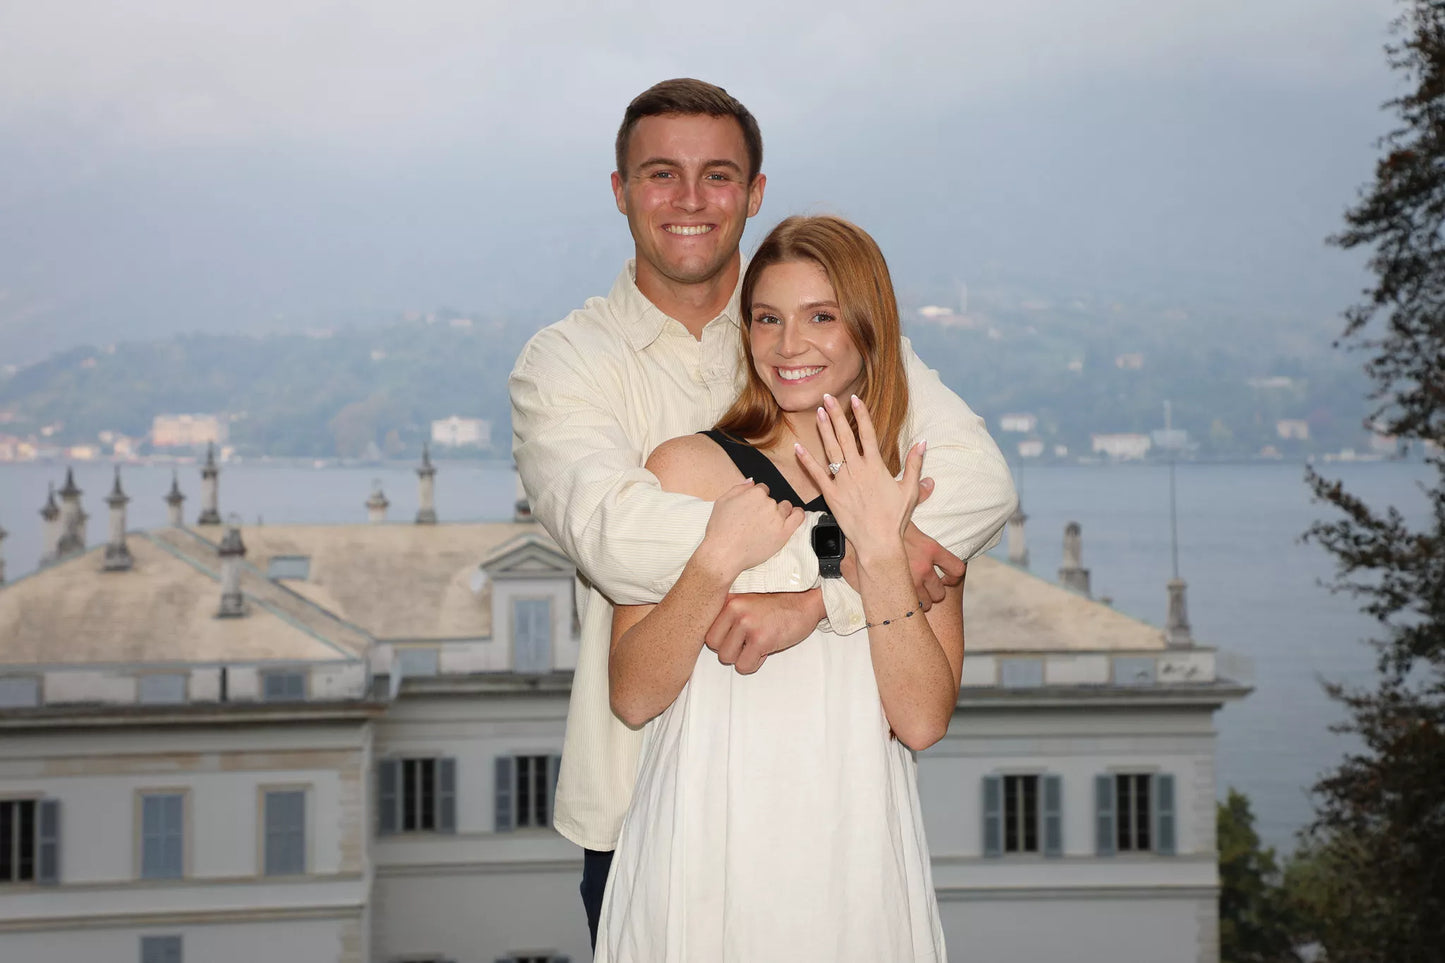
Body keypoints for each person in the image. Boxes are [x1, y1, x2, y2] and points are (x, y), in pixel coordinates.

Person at [508, 78, 1016, 948]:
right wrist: (869, 548)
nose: (690, 199)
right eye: (661, 173)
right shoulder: (567, 364)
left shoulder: (849, 370)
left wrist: (821, 599)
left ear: (753, 192)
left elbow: (979, 484)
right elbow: (613, 535)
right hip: (654, 804)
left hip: (850, 829)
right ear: (620, 190)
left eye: (717, 174)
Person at [596, 215, 957, 961]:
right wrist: (713, 563)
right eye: (767, 318)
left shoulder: (915, 489)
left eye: (820, 317)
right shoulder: (683, 469)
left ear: (869, 329)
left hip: (853, 851)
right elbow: (632, 695)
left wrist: (879, 552)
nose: (789, 345)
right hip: (703, 840)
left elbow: (921, 720)